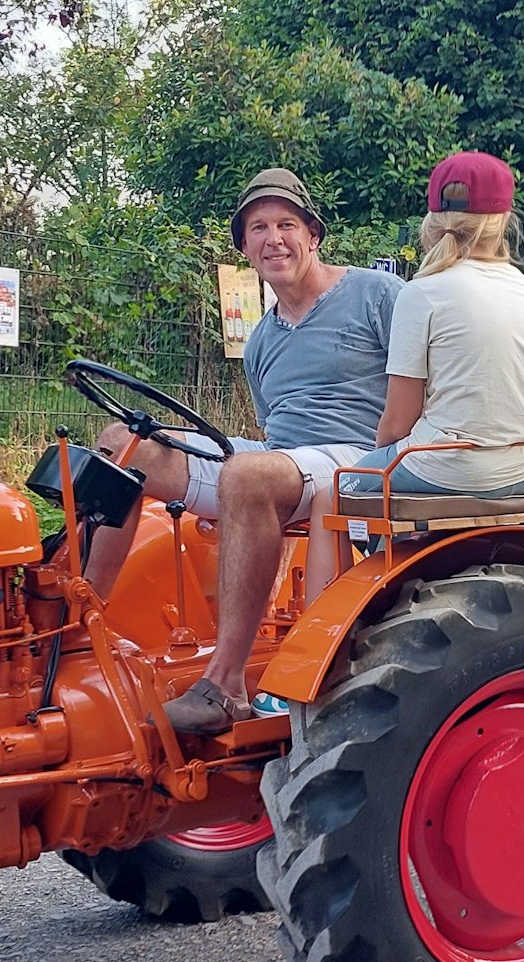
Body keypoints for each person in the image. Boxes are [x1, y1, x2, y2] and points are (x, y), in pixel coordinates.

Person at [128, 168, 402, 735]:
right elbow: (272, 431)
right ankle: (70, 631)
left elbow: (426, 380)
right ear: (246, 248)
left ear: (313, 235)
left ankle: (225, 685)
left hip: (359, 457)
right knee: (125, 446)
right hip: (285, 459)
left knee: (248, 475)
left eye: (286, 224)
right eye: (259, 228)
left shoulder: (376, 294)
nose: (274, 238)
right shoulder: (262, 340)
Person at [340, 151, 524, 506]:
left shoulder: (423, 292)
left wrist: (377, 463)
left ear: (431, 218)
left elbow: (398, 424)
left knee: (333, 494)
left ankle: (380, 559)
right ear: (504, 221)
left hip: (454, 468)